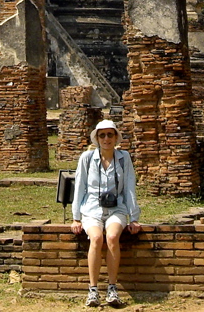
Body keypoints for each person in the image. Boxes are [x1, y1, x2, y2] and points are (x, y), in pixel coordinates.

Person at [70, 119, 141, 307]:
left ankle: (112, 287)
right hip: (92, 208)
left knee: (111, 237)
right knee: (96, 239)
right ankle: (93, 289)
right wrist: (76, 217)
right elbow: (80, 187)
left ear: (116, 137)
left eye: (110, 134)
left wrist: (134, 218)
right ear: (97, 138)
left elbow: (129, 187)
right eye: (102, 135)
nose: (106, 139)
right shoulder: (87, 158)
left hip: (116, 207)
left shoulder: (124, 157)